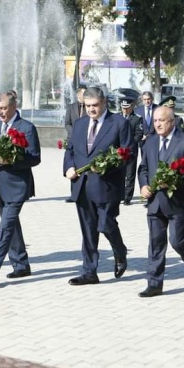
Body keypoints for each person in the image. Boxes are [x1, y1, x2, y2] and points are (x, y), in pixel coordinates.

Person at [63, 86, 133, 285]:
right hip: (82, 185)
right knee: (88, 230)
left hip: (107, 185)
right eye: (87, 106)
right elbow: (70, 150)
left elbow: (129, 154)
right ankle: (89, 271)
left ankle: (119, 251)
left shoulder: (119, 123)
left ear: (103, 103)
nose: (91, 110)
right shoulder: (79, 124)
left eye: (95, 105)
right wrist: (68, 168)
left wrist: (108, 166)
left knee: (105, 224)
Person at [0, 91, 41, 285]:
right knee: (11, 227)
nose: (0, 113)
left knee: (5, 228)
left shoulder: (26, 128)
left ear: (14, 106)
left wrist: (11, 160)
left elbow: (34, 157)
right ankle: (21, 265)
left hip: (17, 186)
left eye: (3, 108)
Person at [137, 106, 184, 297]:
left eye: (161, 120)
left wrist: (172, 181)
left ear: (172, 121)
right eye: (155, 120)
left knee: (177, 242)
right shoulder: (150, 142)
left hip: (178, 202)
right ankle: (154, 284)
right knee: (156, 243)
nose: (157, 124)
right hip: (155, 202)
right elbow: (143, 168)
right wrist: (143, 185)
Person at [63, 86, 86, 202]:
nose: (84, 96)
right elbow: (67, 123)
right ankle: (73, 195)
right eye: (82, 94)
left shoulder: (90, 108)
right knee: (71, 166)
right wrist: (74, 133)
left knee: (83, 166)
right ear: (78, 95)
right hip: (72, 140)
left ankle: (83, 193)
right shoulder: (71, 107)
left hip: (86, 141)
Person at [119, 97, 144, 205]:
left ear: (132, 107)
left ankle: (127, 197)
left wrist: (128, 145)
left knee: (130, 174)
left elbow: (138, 134)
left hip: (130, 151)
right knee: (119, 173)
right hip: (118, 151)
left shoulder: (137, 119)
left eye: (127, 108)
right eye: (123, 108)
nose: (125, 110)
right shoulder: (117, 117)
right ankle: (118, 194)